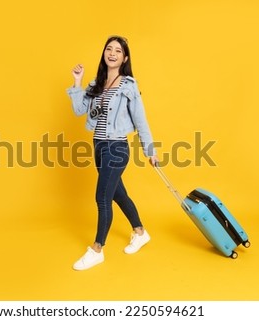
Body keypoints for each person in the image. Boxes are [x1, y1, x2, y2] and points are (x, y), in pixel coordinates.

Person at [67, 35, 159, 271]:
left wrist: (150, 150)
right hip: (98, 147)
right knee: (118, 195)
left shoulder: (128, 85)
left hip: (117, 148)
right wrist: (77, 82)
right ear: (104, 54)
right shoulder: (95, 83)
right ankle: (140, 232)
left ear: (124, 57)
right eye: (109, 49)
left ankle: (97, 249)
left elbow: (141, 119)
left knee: (102, 197)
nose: (112, 53)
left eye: (118, 51)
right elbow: (79, 110)